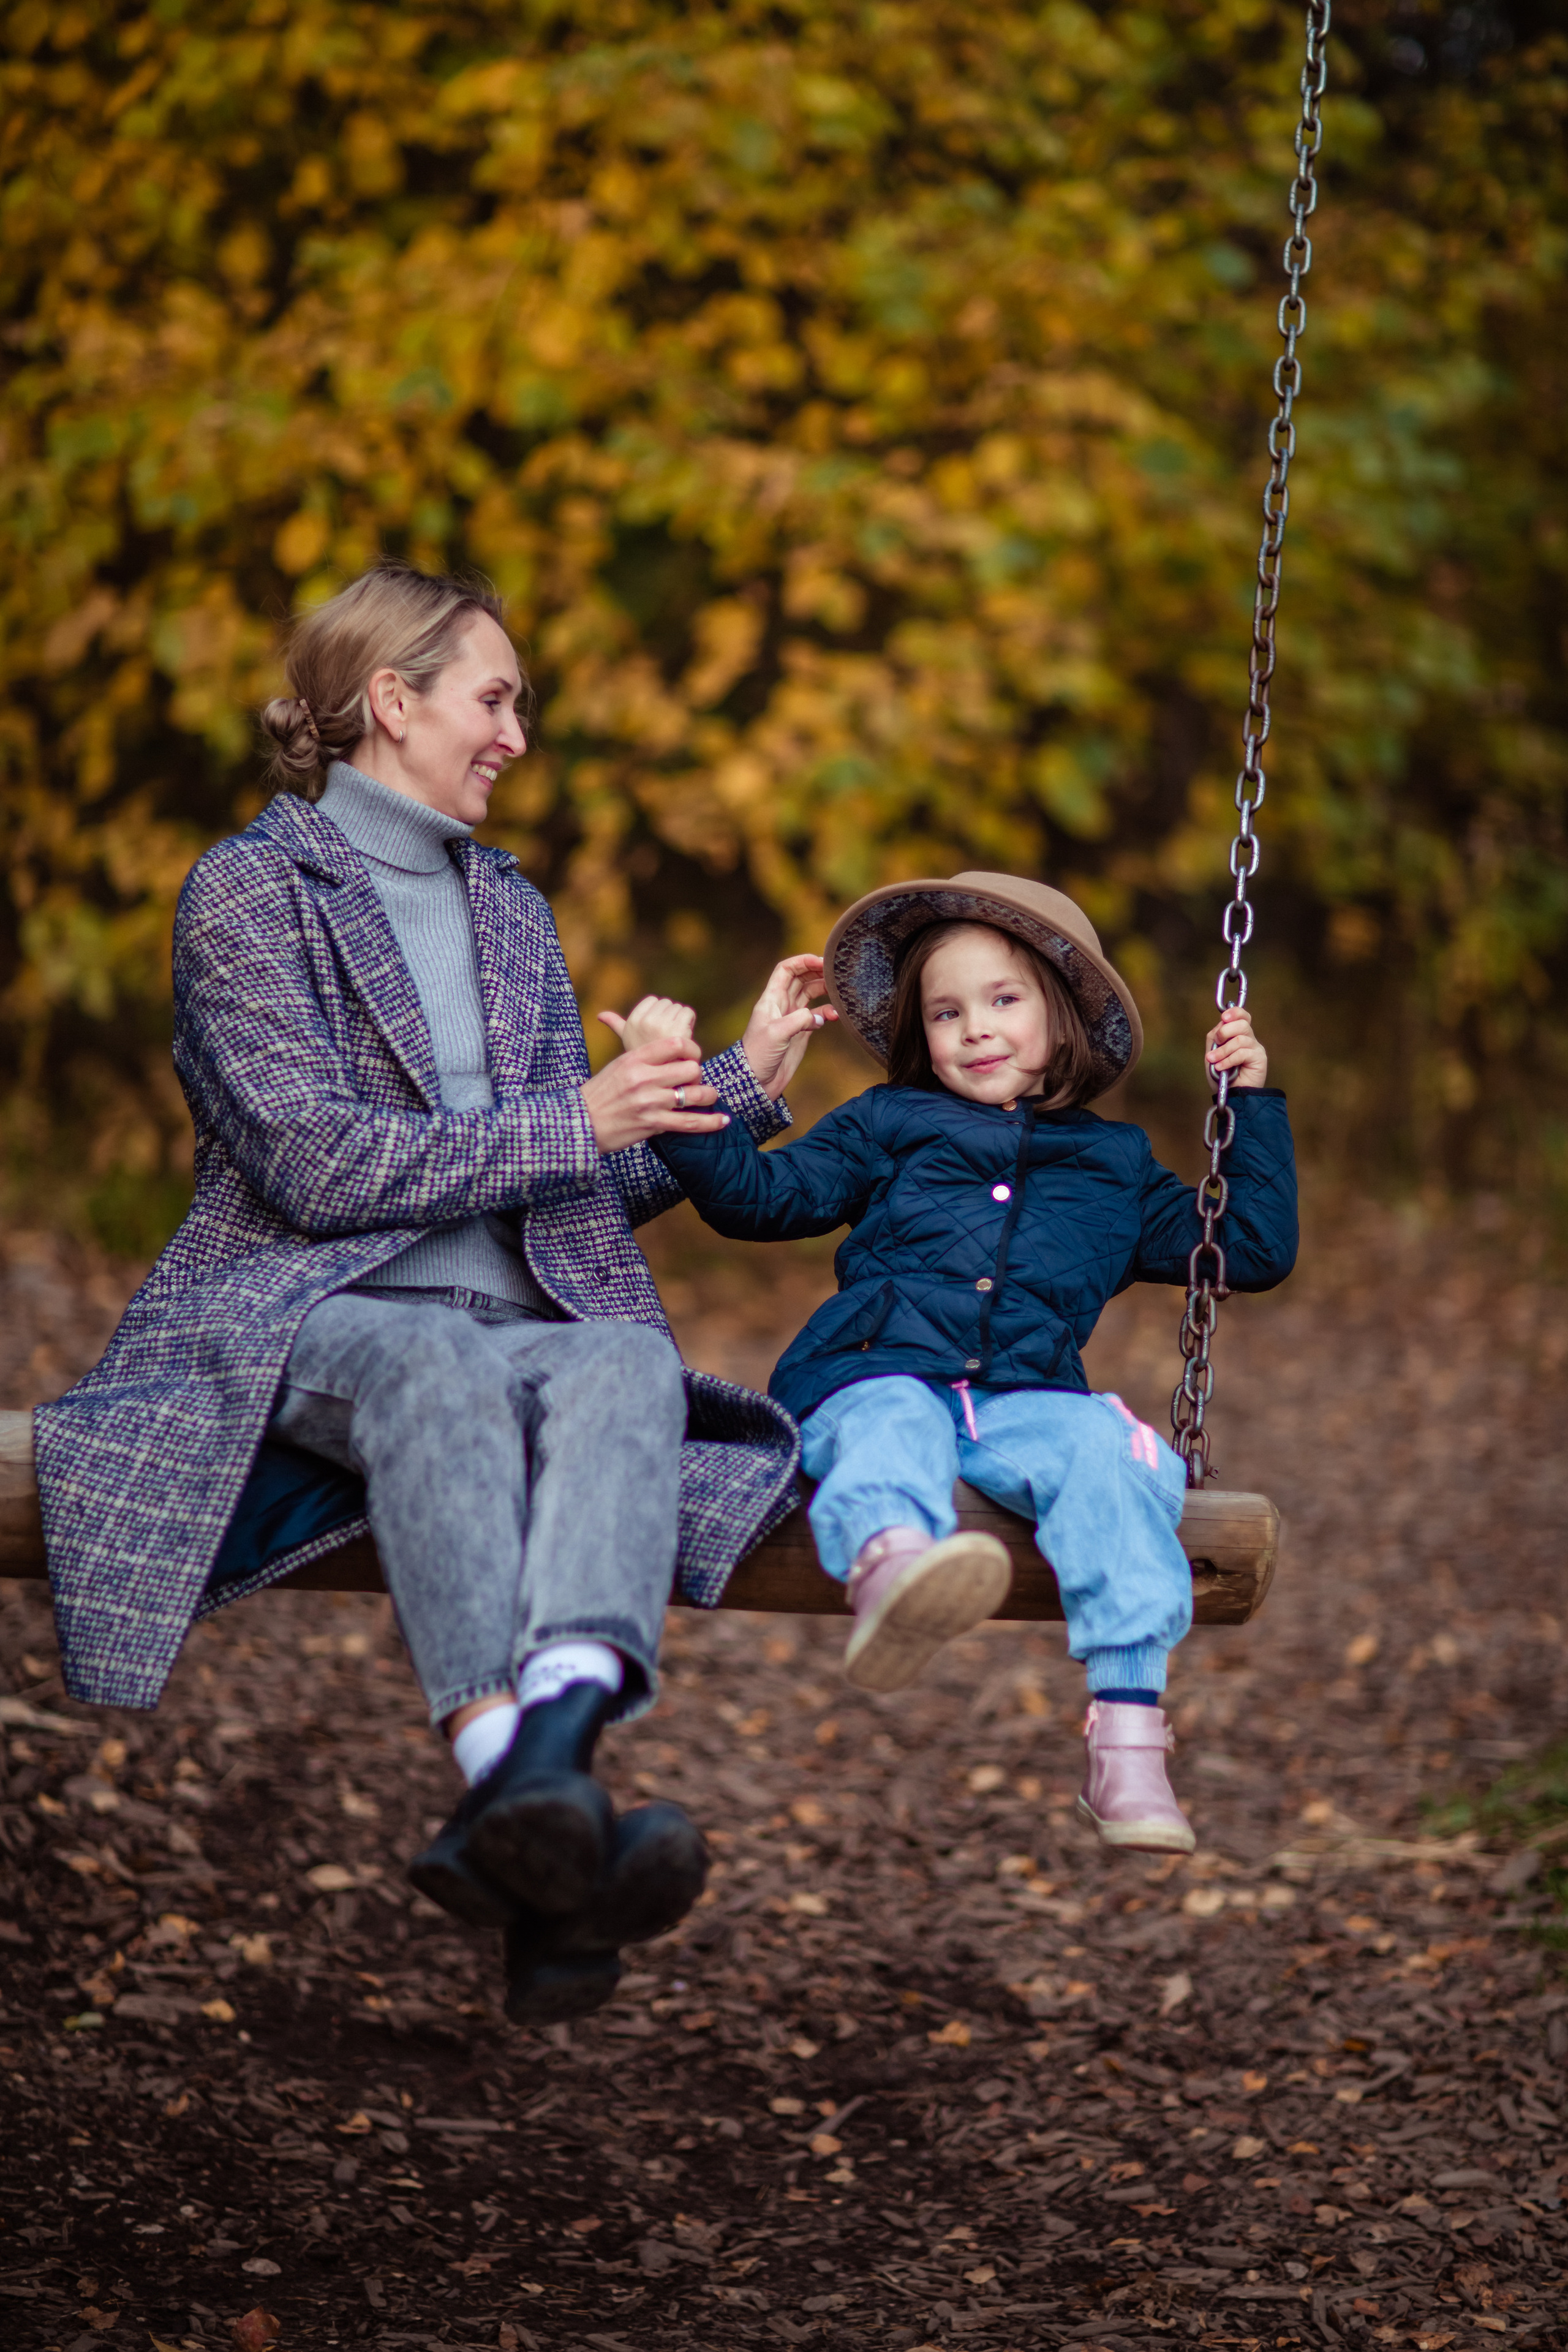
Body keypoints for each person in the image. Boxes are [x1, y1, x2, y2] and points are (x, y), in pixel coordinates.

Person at [33, 562, 831, 2022]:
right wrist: (577, 1119)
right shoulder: (249, 892)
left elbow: (550, 1194)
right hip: (305, 1314)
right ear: (391, 703)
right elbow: (314, 1164)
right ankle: (516, 1783)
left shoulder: (510, 911)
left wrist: (738, 1090)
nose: (517, 734)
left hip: (509, 1322)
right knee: (436, 1369)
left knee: (623, 1367)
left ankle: (533, 1811)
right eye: (495, 698)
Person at [639, 873, 1298, 1853]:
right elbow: (756, 1198)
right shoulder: (885, 1125)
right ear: (922, 1031)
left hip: (1025, 1401)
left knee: (1105, 1449)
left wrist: (1246, 1104)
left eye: (1003, 1000)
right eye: (947, 1012)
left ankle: (1126, 1748)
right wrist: (686, 1086)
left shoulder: (1113, 1169)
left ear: (1062, 1016)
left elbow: (1246, 1248)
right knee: (894, 1419)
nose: (975, 1029)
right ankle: (896, 1568)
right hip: (870, 1372)